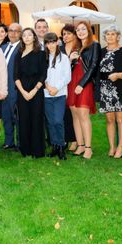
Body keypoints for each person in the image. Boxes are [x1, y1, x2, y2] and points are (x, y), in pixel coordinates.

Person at [99, 25, 122, 159]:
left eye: (113, 34)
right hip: (105, 89)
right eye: (107, 34)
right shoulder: (101, 52)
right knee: (109, 119)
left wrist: (119, 75)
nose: (110, 36)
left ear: (118, 36)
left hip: (120, 89)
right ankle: (112, 147)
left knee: (120, 119)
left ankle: (120, 147)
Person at [67, 21, 100, 159]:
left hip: (84, 83)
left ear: (89, 30)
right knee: (75, 114)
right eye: (78, 30)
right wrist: (71, 59)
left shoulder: (94, 45)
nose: (80, 32)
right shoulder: (77, 47)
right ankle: (80, 145)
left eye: (83, 29)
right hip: (72, 82)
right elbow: (71, 68)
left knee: (83, 114)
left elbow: (93, 66)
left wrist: (82, 84)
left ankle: (88, 148)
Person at [14, 27, 47, 158]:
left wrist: (34, 90)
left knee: (37, 119)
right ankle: (25, 149)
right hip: (22, 92)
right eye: (24, 35)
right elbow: (15, 76)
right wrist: (23, 92)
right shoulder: (18, 54)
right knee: (24, 120)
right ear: (22, 39)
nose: (27, 37)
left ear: (34, 37)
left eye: (29, 35)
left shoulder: (40, 53)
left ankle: (37, 150)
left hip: (36, 91)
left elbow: (43, 74)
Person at [43, 32, 71, 159]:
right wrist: (48, 87)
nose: (51, 45)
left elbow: (67, 77)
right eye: (48, 42)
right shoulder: (43, 58)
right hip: (47, 94)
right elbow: (42, 75)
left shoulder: (63, 58)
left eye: (53, 42)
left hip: (59, 94)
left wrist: (56, 88)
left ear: (57, 42)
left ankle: (61, 146)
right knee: (50, 122)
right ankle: (54, 146)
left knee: (58, 121)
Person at [1, 22, 22, 150]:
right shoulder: (2, 48)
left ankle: (20, 142)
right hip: (3, 88)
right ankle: (9, 141)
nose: (13, 33)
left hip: (16, 87)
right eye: (11, 30)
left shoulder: (22, 48)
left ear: (20, 33)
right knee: (6, 116)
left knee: (17, 116)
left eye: (16, 31)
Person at [61, 24, 79, 152]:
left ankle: (75, 140)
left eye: (68, 33)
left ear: (74, 34)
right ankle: (67, 138)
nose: (65, 36)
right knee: (64, 113)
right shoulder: (59, 49)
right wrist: (68, 59)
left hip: (75, 83)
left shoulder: (78, 48)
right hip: (62, 83)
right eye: (63, 34)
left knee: (75, 112)